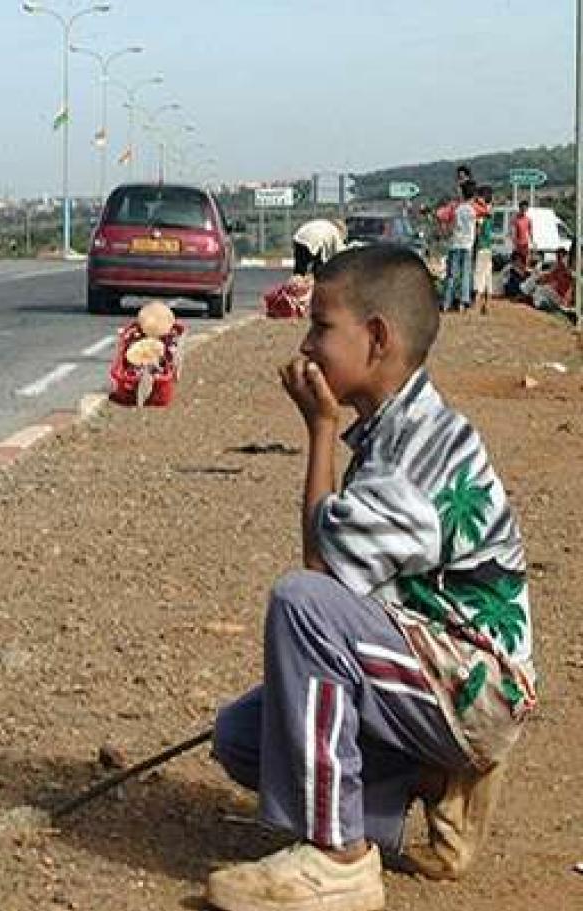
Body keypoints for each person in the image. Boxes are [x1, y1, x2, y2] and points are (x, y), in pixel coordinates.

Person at [206, 245, 537, 911]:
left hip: (474, 687)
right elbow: (343, 575)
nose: (305, 344)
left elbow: (320, 576)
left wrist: (321, 430)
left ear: (377, 337)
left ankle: (339, 859)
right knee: (246, 736)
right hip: (431, 669)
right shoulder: (398, 426)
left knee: (299, 603)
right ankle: (436, 777)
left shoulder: (410, 457)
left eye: (322, 326)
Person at [440, 183, 477, 312]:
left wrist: (446, 233)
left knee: (451, 275)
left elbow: (451, 227)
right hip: (467, 245)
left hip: (455, 244)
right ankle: (463, 302)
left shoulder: (457, 209)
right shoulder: (473, 210)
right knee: (465, 275)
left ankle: (446, 303)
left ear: (462, 193)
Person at [471, 186, 495, 314]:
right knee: (487, 276)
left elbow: (478, 230)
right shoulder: (489, 210)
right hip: (488, 247)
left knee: (479, 275)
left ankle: (475, 304)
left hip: (481, 246)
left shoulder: (482, 213)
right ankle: (487, 304)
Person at [510, 200, 533, 265]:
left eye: (525, 208)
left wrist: (533, 242)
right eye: (522, 208)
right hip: (517, 245)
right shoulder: (515, 219)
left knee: (525, 263)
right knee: (517, 264)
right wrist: (514, 243)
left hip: (525, 245)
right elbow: (513, 232)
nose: (524, 210)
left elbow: (530, 232)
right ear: (520, 208)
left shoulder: (528, 219)